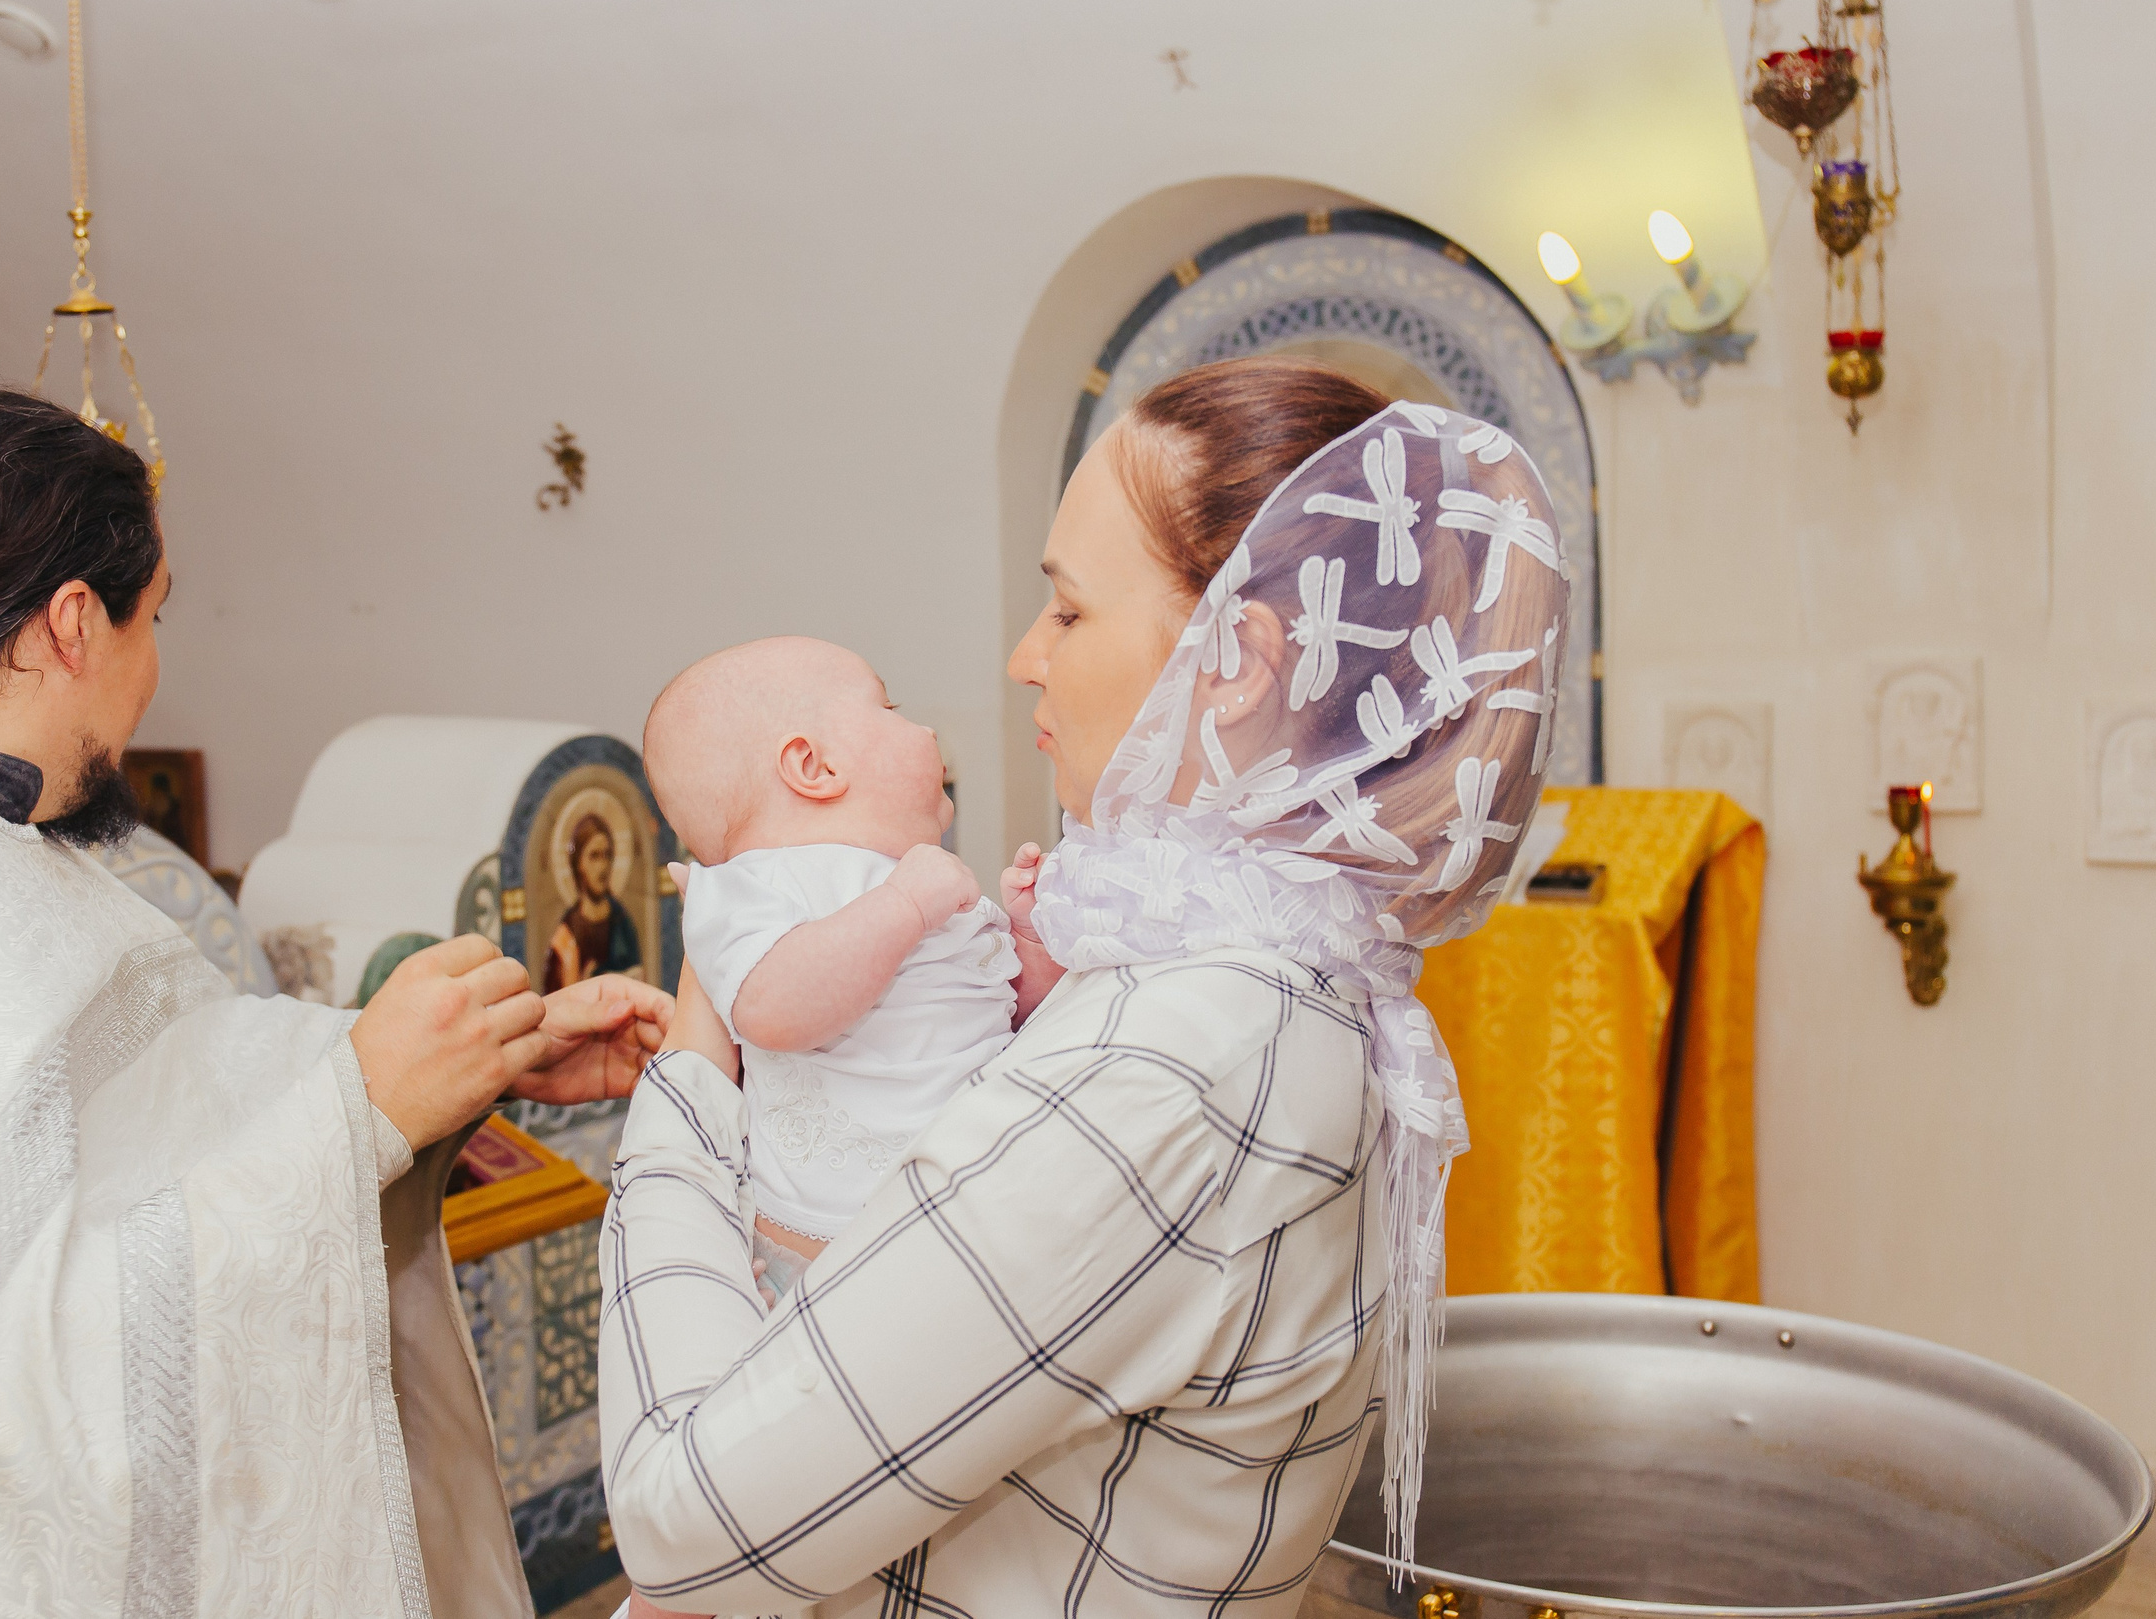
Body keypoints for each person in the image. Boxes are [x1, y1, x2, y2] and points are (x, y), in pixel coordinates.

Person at [0, 387, 673, 1617]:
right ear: (74, 623)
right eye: (153, 617)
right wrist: (358, 1108)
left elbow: (141, 1094)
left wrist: (462, 1060)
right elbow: (17, 1407)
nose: (156, 672)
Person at [596, 358, 1568, 1615]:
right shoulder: (1244, 970)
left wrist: (692, 1061)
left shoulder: (1175, 1063)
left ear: (1236, 661)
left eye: (1065, 611)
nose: (1021, 657)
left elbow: (685, 1520)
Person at [639, 636, 1056, 1317]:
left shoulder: (920, 882)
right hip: (826, 1247)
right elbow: (770, 1006)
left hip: (963, 1218)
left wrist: (1029, 944)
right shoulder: (754, 886)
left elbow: (1000, 1018)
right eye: (890, 707)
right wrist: (904, 907)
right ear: (813, 764)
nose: (923, 728)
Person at [544, 811, 644, 990]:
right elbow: (554, 1002)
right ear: (579, 864)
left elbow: (639, 976)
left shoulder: (621, 920)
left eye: (607, 855)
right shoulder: (565, 937)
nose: (603, 867)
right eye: (594, 856)